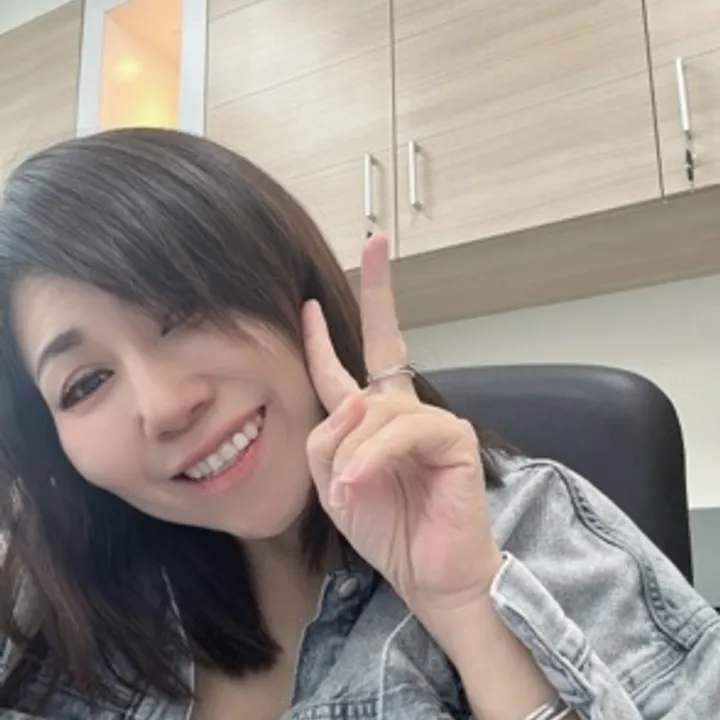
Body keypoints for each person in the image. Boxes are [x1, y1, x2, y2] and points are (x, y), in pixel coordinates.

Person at [0, 129, 716, 720]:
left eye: (182, 310)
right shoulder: (67, 615)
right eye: (85, 384)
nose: (163, 405)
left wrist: (473, 612)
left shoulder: (530, 527)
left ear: (287, 283)